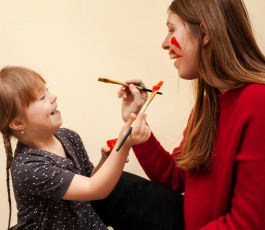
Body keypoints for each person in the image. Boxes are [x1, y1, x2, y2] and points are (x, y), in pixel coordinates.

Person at [117, 0, 265, 229]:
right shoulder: (209, 104)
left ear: (204, 33)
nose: (165, 44)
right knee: (110, 187)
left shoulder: (258, 102)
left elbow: (247, 223)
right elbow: (176, 177)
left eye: (172, 30)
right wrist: (134, 118)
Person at [0, 66, 152, 229]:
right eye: (41, 97)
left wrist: (105, 161)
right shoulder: (28, 168)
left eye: (48, 90)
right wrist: (124, 146)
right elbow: (95, 189)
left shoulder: (69, 137)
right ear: (18, 123)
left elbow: (89, 180)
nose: (53, 96)